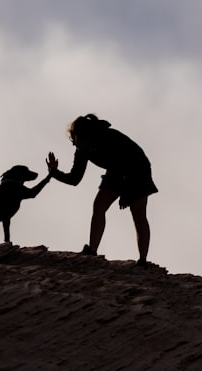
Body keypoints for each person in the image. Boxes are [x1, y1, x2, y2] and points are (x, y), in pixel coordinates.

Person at [46, 114, 158, 265]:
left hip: (137, 170)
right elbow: (74, 179)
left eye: (75, 139)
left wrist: (126, 194)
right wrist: (54, 172)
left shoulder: (110, 138)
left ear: (86, 135)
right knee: (98, 206)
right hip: (115, 171)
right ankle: (92, 250)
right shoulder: (82, 150)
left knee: (138, 214)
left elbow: (127, 163)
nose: (74, 144)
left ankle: (143, 261)